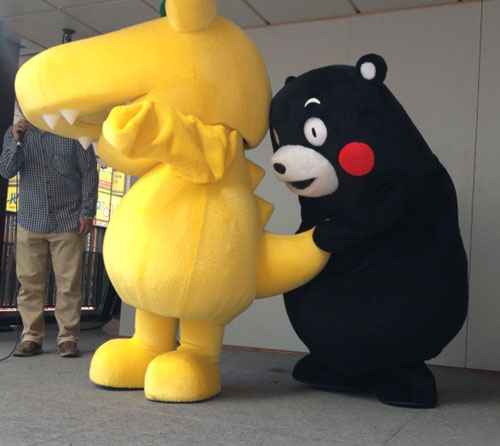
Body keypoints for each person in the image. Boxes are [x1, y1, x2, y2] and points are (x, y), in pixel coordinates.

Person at [0, 114, 98, 358]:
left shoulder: (72, 131)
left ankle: (68, 338)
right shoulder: (15, 133)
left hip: (68, 219)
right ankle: (31, 337)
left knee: (69, 284)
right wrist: (17, 142)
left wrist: (87, 212)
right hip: (30, 220)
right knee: (29, 284)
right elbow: (6, 170)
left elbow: (89, 172)